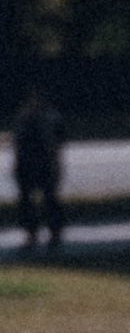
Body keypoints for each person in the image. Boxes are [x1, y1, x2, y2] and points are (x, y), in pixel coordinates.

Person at [12, 90, 66, 251]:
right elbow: (18, 144)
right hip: (27, 165)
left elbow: (56, 144)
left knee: (50, 200)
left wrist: (55, 165)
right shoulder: (22, 118)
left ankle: (54, 233)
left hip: (45, 165)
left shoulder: (51, 118)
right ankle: (31, 234)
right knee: (26, 202)